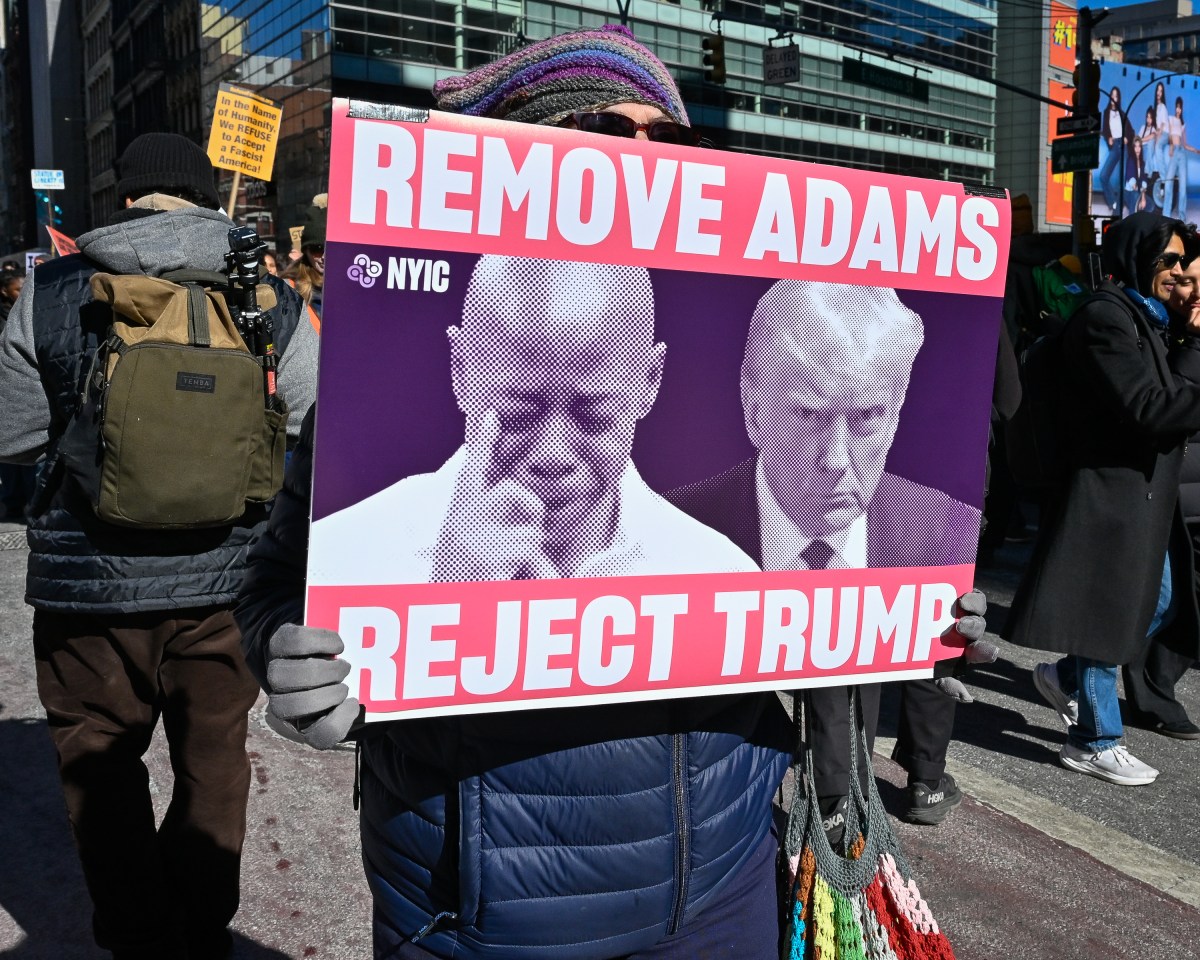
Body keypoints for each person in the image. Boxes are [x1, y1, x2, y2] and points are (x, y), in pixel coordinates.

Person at [236, 25, 991, 960]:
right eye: (599, 132)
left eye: (665, 144)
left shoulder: (717, 548)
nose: (638, 165)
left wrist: (918, 619)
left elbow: (816, 632)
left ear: (648, 380)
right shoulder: (375, 511)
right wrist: (291, 658)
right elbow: (271, 582)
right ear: (465, 370)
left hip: (718, 894)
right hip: (479, 909)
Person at [0, 132, 320, 959]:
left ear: (127, 191)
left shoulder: (53, 290)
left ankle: (139, 936)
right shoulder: (270, 296)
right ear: (201, 192)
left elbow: (12, 436)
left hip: (88, 591)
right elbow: (317, 424)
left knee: (100, 765)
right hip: (229, 582)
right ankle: (202, 922)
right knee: (215, 757)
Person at [669, 280, 982, 829]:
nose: (836, 459)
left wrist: (944, 654)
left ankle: (843, 801)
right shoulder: (680, 528)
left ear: (898, 411)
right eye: (811, 415)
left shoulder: (940, 530)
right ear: (752, 401)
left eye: (865, 419)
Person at [309, 254, 757, 587]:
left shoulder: (717, 573)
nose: (552, 453)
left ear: (649, 381)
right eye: (518, 415)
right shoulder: (342, 556)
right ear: (462, 370)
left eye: (594, 416)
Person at [1010, 211, 1200, 785]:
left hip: (1140, 496)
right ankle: (1095, 738)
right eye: (1165, 261)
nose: (1176, 274)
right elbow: (1152, 408)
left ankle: (1067, 677)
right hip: (1105, 493)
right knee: (1104, 611)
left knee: (1158, 600)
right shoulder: (1106, 319)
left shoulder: (1149, 318)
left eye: (1180, 263)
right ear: (1134, 258)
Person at [1127, 251, 1200, 739]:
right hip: (1176, 487)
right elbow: (1168, 401)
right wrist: (1194, 341)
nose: (1191, 290)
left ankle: (1076, 670)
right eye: (1187, 279)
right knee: (1163, 597)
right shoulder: (1161, 328)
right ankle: (1150, 694)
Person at [282, 194, 326, 320]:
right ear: (306, 250)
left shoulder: (354, 287)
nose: (324, 256)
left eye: (330, 249)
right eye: (317, 249)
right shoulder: (289, 288)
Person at [1162, 97, 1199, 221]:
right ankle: (1166, 215)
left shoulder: (1183, 124)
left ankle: (1182, 217)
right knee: (1168, 183)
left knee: (1182, 187)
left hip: (1182, 153)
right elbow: (1171, 135)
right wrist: (1172, 146)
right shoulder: (1171, 119)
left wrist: (1195, 150)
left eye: (1180, 107)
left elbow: (1185, 144)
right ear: (1175, 107)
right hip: (1174, 152)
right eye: (1177, 106)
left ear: (1182, 109)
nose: (1178, 109)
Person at [1098, 86, 1131, 214]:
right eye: (1112, 95)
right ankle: (1113, 202)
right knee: (1103, 176)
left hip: (1122, 145)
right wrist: (1108, 138)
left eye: (1116, 96)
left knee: (1123, 180)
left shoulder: (1122, 114)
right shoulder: (1106, 113)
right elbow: (1105, 129)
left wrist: (1127, 137)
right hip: (1114, 147)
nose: (1114, 98)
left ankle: (1116, 212)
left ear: (1119, 99)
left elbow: (1129, 130)